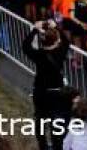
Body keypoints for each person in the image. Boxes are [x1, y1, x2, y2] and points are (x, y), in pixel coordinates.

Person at [22, 20, 70, 150]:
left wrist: (34, 30)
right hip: (57, 91)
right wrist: (57, 28)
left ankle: (42, 145)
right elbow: (66, 42)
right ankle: (57, 146)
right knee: (58, 122)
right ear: (56, 41)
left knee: (40, 119)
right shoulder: (60, 53)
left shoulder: (38, 55)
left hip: (40, 91)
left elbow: (25, 46)